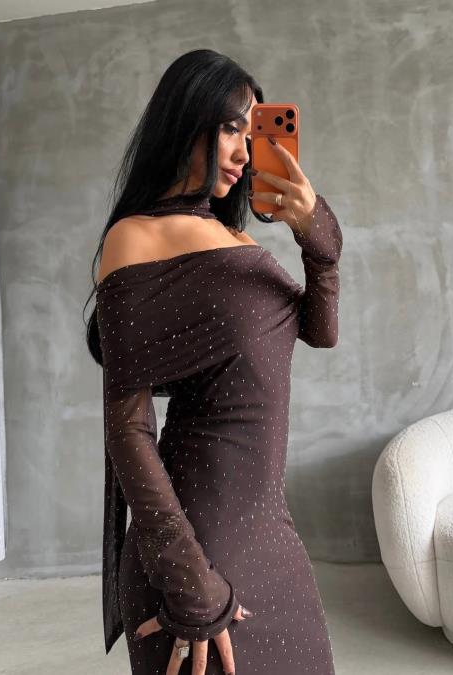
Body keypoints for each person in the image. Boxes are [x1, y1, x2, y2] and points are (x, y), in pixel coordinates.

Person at [84, 48, 342, 675]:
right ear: (185, 120)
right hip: (198, 551)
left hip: (272, 537)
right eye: (231, 127)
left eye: (252, 133)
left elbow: (321, 330)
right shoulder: (134, 238)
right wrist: (188, 581)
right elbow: (129, 427)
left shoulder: (239, 237)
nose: (244, 152)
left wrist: (314, 234)